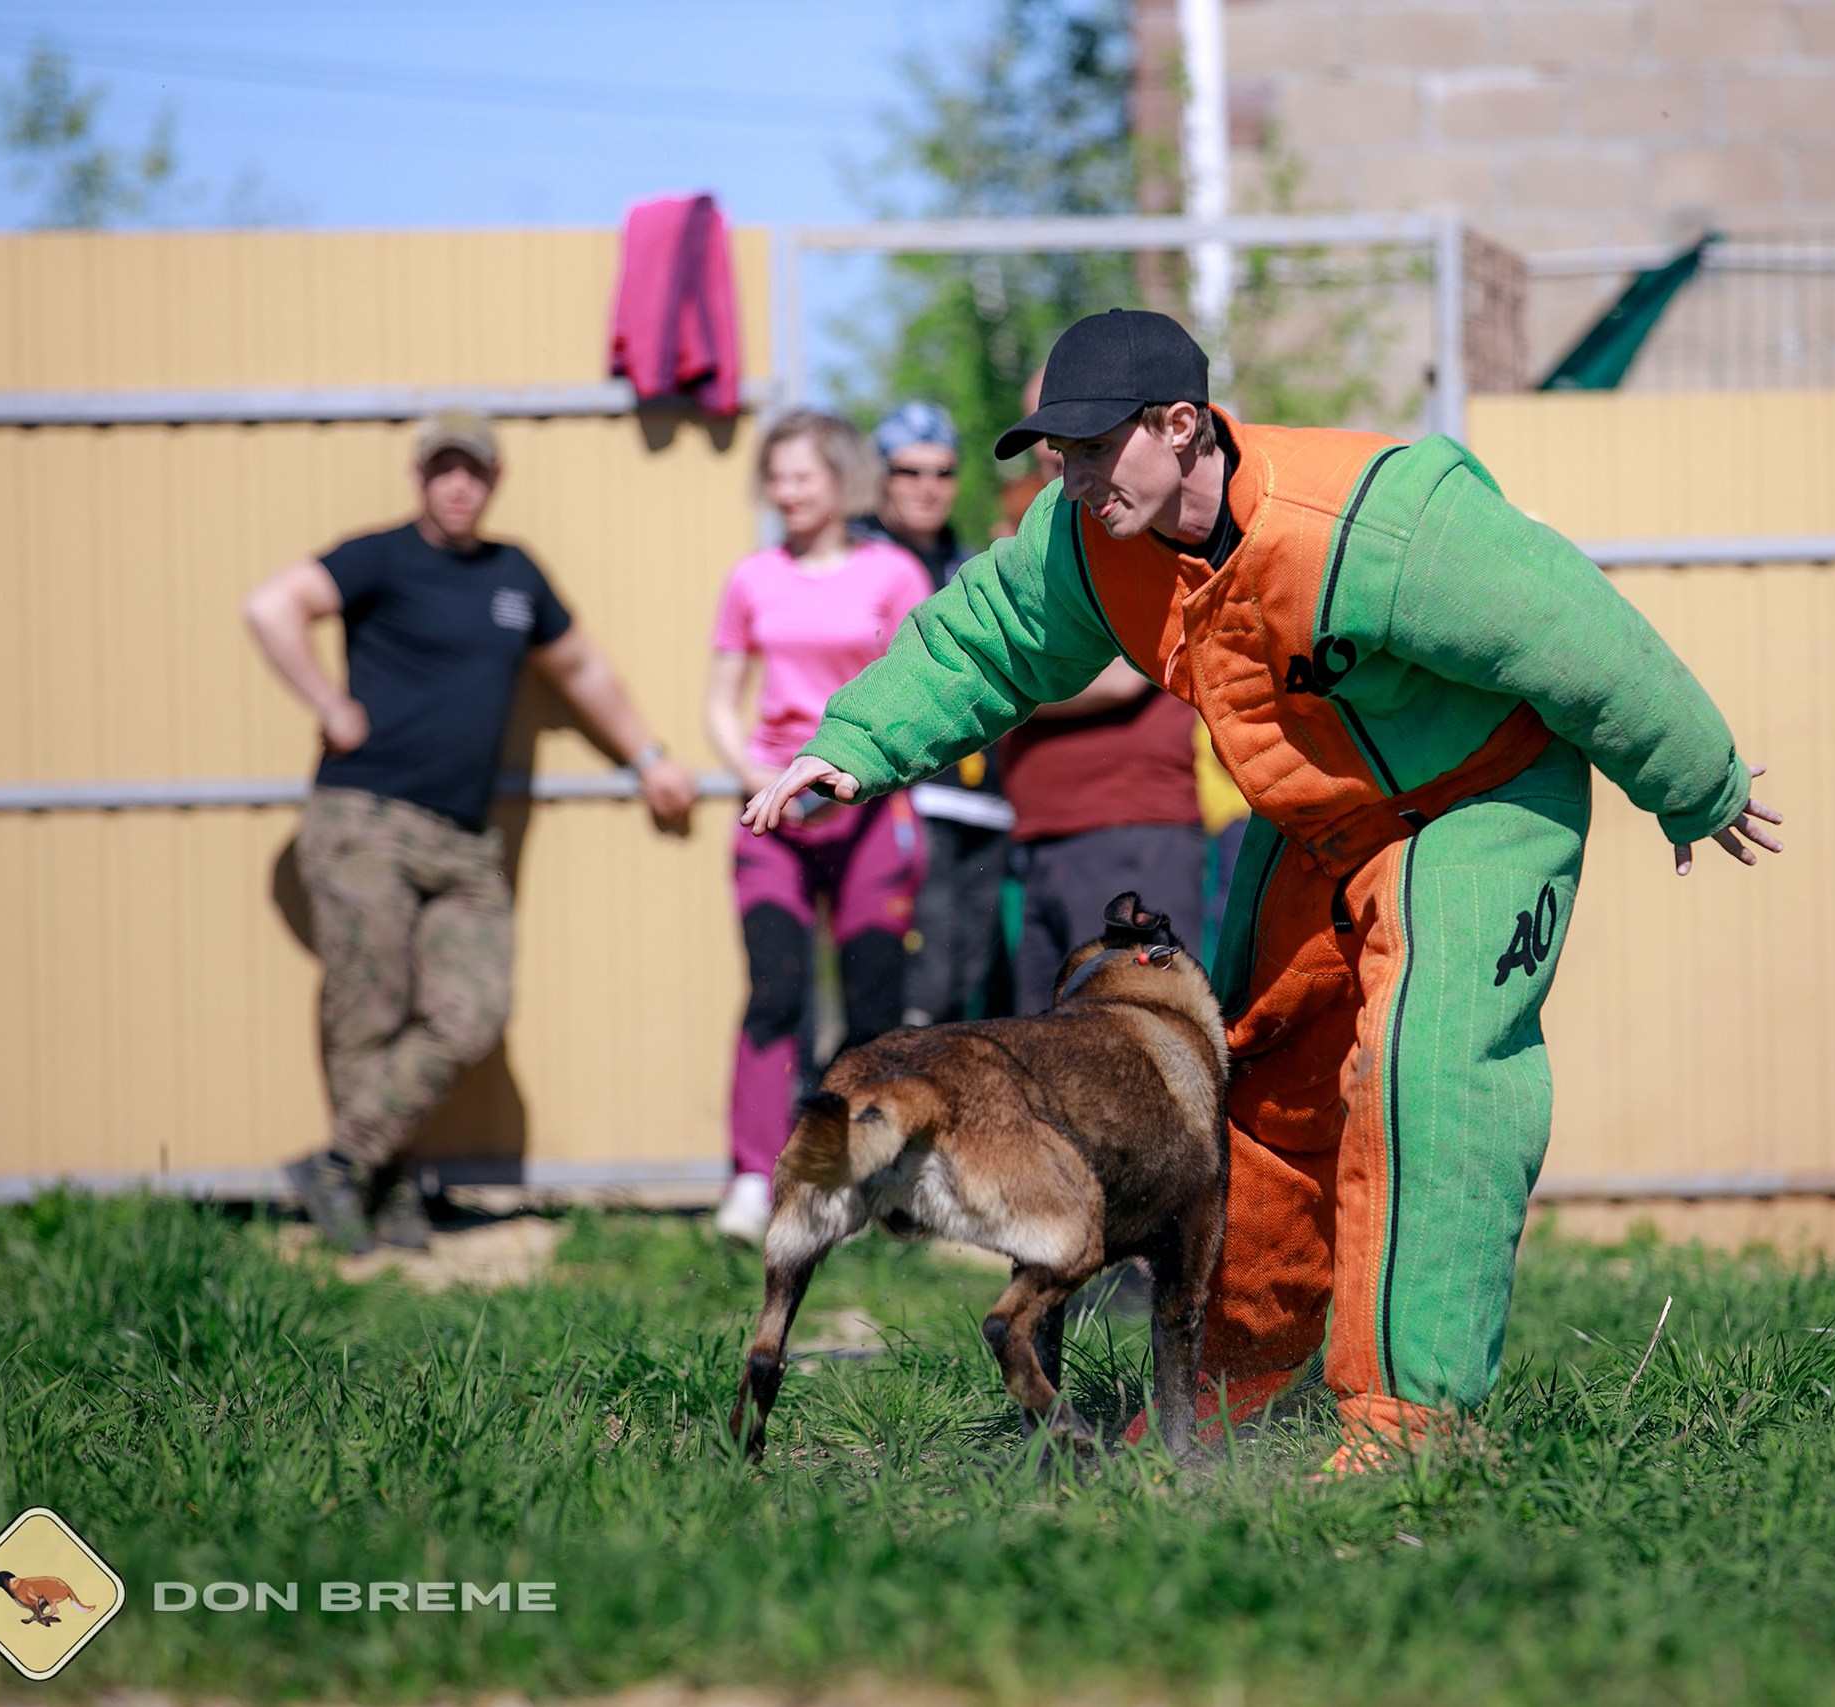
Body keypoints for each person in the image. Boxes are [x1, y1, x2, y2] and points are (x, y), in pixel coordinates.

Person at [745, 309, 1782, 1473]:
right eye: (1060, 455)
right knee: (1257, 1093)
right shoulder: (1087, 541)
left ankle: (1412, 1427)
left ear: (1180, 425)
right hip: (1317, 824)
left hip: (1477, 804)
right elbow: (981, 643)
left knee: (1425, 1073)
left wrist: (1696, 782)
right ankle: (1228, 1388)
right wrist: (857, 743)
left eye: (1094, 449)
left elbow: (1570, 629)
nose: (1072, 478)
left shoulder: (1371, 518)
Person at [242, 409, 698, 1254]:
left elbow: (582, 668)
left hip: (463, 839)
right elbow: (271, 607)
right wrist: (328, 704)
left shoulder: (515, 575)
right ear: (419, 477)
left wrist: (648, 756)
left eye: (475, 470)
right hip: (362, 822)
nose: (459, 484)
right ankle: (385, 1193)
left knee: (469, 1015)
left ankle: (343, 1163)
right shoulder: (379, 555)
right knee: (369, 1010)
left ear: (495, 480)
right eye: (443, 469)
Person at [707, 409, 935, 1242]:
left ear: (841, 479)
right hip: (775, 816)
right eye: (776, 476)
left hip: (872, 812)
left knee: (873, 995)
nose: (786, 490)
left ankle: (864, 1179)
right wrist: (756, 778)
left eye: (801, 474)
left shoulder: (895, 573)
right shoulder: (752, 579)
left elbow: (919, 688)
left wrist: (868, 770)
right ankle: (752, 1175)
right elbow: (720, 702)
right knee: (775, 989)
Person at [992, 368, 1208, 1015]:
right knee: (1050, 1072)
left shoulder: (1147, 522)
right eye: (1043, 434)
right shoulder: (1037, 530)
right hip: (1041, 832)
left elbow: (1121, 676)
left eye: (1074, 432)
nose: (1049, 452)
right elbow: (993, 653)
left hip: (1131, 826)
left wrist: (1010, 688)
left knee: (1142, 1043)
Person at [849, 401, 1015, 1028]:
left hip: (983, 802)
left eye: (943, 473)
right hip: (901, 802)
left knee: (964, 989)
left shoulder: (973, 566)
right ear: (882, 475)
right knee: (912, 990)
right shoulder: (855, 560)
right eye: (910, 471)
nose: (928, 487)